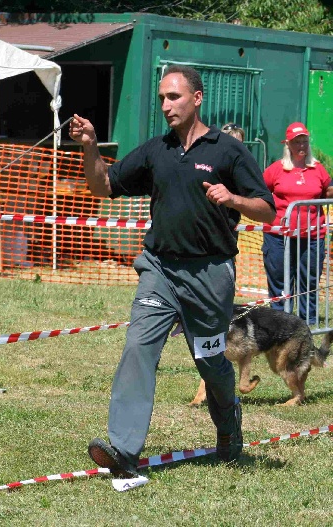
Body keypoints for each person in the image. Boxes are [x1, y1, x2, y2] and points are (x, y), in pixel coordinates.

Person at [68, 64, 276, 477]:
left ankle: (228, 419)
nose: (166, 105)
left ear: (197, 99)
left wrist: (233, 197)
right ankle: (124, 451)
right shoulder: (156, 150)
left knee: (210, 360)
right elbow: (103, 186)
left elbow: (267, 209)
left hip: (210, 275)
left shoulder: (226, 150)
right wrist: (90, 146)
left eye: (174, 97)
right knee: (138, 345)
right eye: (162, 98)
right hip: (160, 269)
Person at [262, 122, 332, 324]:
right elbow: (260, 190)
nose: (301, 145)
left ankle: (308, 320)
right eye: (297, 142)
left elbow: (328, 191)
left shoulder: (318, 169)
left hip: (311, 236)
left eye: (304, 141)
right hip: (278, 235)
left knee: (309, 279)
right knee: (279, 279)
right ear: (288, 144)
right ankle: (279, 321)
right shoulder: (276, 169)